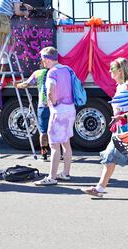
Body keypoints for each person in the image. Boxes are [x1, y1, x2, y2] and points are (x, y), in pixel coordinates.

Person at [82, 58, 128, 199]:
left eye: (112, 69)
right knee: (110, 157)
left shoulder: (127, 87)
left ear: (120, 71)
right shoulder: (122, 86)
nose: (110, 71)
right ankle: (100, 188)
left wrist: (121, 116)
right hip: (122, 129)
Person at [35, 47, 76, 186]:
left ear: (47, 58)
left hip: (59, 111)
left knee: (54, 145)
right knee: (66, 143)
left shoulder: (52, 72)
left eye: (42, 59)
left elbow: (51, 91)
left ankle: (51, 177)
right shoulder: (66, 69)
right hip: (70, 109)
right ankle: (65, 173)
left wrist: (53, 103)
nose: (42, 62)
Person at [15, 66, 50, 161]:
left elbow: (26, 84)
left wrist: (17, 85)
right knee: (56, 130)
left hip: (43, 106)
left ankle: (44, 154)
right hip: (56, 106)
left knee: (43, 131)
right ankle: (59, 153)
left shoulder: (38, 73)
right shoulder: (57, 72)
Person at [0, 0, 33, 71]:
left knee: (2, 42)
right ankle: (4, 65)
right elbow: (17, 12)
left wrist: (23, 4)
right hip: (2, 18)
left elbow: (11, 3)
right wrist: (25, 13)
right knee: (5, 43)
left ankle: (3, 64)